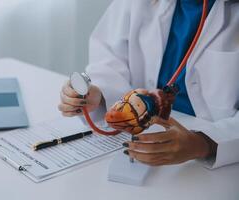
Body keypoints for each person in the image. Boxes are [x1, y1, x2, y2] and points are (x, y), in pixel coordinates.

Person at [58, 0, 239, 168]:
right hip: (145, 140)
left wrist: (203, 143)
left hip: (213, 163)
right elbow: (108, 57)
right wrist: (99, 94)